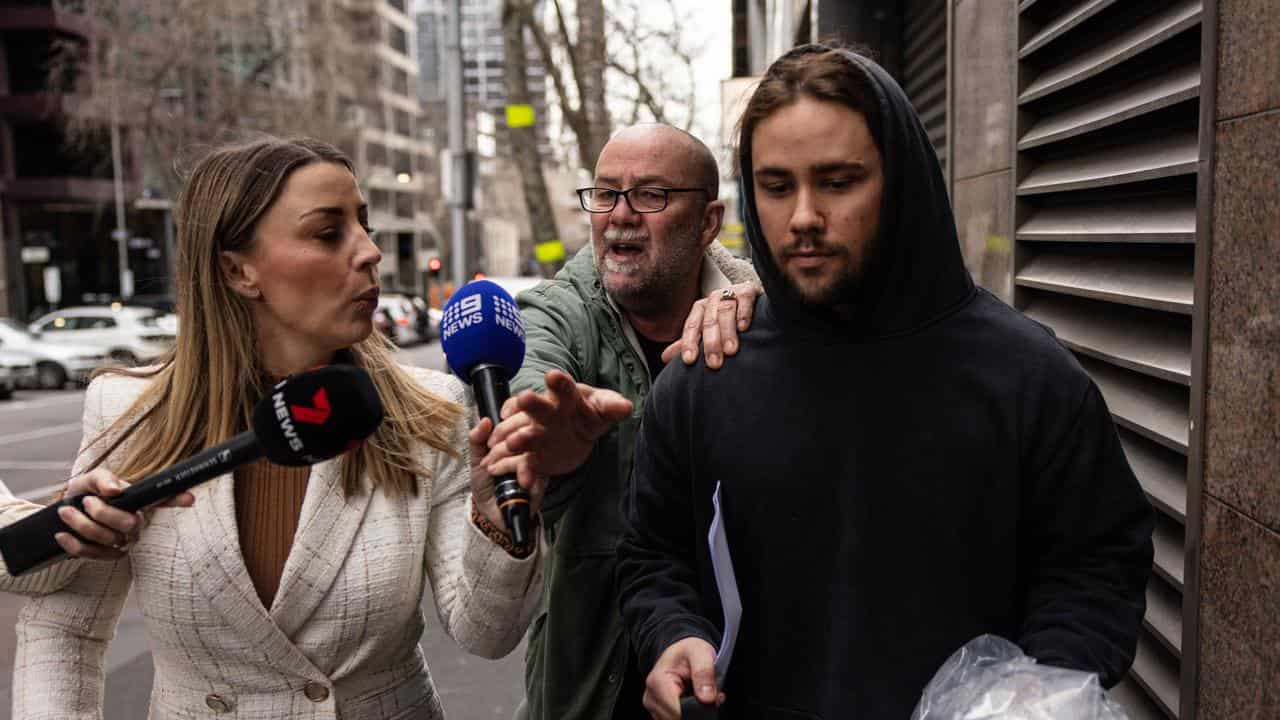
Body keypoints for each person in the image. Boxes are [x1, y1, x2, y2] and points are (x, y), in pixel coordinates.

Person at [614, 45, 1156, 719]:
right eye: (777, 186)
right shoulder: (705, 376)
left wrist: (1039, 690)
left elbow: (1097, 566)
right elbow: (653, 556)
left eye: (838, 181)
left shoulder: (1027, 378)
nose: (804, 216)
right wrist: (672, 635)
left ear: (899, 181)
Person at [13, 137, 545, 719]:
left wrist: (498, 525)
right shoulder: (129, 411)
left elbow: (486, 633)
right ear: (239, 269)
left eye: (363, 226)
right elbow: (65, 633)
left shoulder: (430, 409)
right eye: (328, 232)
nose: (370, 253)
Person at [484, 123, 761, 720]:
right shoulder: (559, 310)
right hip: (587, 693)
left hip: (735, 680)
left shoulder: (758, 318)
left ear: (708, 221)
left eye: (651, 195)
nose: (620, 215)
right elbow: (530, 367)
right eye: (606, 193)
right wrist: (548, 432)